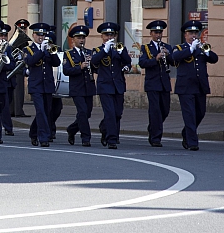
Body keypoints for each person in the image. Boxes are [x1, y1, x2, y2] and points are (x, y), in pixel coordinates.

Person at [172, 20, 218, 151]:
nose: (193, 35)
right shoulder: (180, 48)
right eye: (190, 33)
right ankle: (192, 142)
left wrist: (206, 51)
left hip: (200, 86)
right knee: (189, 114)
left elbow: (214, 59)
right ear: (185, 35)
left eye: (195, 33)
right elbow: (174, 57)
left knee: (200, 113)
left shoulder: (201, 48)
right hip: (185, 87)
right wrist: (191, 49)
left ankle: (186, 132)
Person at [91, 22, 131, 150]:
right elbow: (94, 62)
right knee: (110, 113)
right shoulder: (98, 50)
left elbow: (128, 61)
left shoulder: (120, 48)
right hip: (105, 86)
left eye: (111, 35)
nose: (109, 37)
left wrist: (125, 65)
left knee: (118, 113)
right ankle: (112, 140)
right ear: (102, 37)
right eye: (106, 35)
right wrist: (105, 49)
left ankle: (104, 128)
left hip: (118, 85)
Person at [138, 20, 174, 147]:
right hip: (152, 83)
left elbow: (174, 63)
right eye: (156, 32)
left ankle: (153, 126)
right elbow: (142, 63)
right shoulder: (146, 48)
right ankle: (155, 138)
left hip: (164, 83)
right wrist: (155, 59)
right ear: (151, 33)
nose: (158, 35)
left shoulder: (167, 47)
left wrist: (168, 55)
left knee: (165, 110)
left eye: (160, 32)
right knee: (155, 111)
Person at [24, 23, 60, 147]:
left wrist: (51, 52)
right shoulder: (28, 49)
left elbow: (57, 63)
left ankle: (33, 132)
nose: (41, 37)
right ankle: (44, 137)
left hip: (47, 84)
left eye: (43, 35)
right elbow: (30, 61)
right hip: (35, 85)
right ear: (33, 35)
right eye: (38, 35)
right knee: (40, 111)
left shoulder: (49, 48)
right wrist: (40, 51)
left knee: (46, 111)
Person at [62, 25, 96, 146]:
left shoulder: (89, 52)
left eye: (83, 38)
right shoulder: (69, 55)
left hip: (89, 87)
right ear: (73, 40)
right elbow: (66, 70)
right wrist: (79, 67)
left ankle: (72, 129)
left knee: (87, 113)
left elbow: (95, 69)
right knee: (82, 112)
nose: (81, 40)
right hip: (77, 88)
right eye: (79, 38)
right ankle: (86, 138)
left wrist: (93, 63)